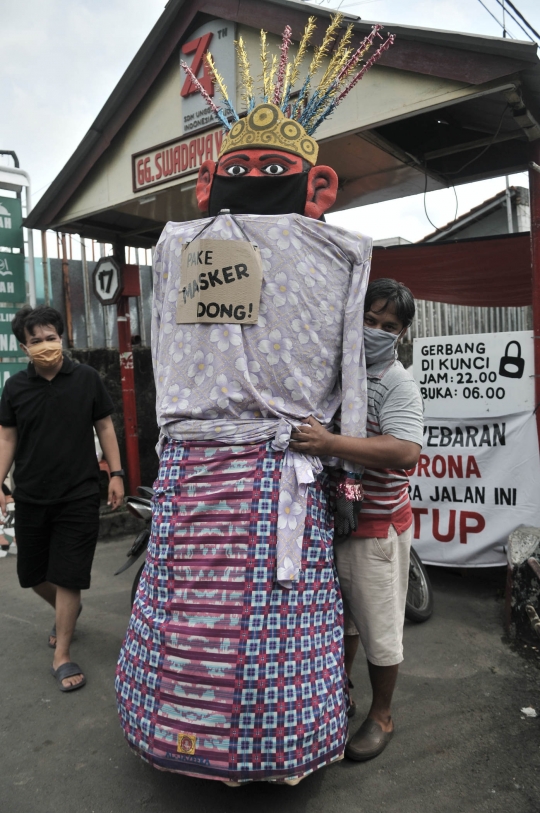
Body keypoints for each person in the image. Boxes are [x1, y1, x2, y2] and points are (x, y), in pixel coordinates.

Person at [115, 16, 394, 785]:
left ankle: (266, 746)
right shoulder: (193, 246)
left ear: (319, 185)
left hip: (270, 467)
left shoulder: (298, 250)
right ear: (208, 184)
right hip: (240, 463)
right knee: (222, 606)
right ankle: (236, 744)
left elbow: (348, 367)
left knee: (261, 608)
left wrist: (340, 448)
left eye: (277, 165)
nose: (258, 179)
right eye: (249, 165)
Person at [290, 278, 423, 761]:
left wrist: (330, 444)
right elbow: (345, 458)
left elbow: (405, 452)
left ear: (402, 333)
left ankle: (382, 716)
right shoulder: (343, 374)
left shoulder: (396, 383)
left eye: (387, 325)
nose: (375, 331)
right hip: (337, 522)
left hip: (377, 532)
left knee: (379, 630)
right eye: (369, 320)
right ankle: (338, 695)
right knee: (341, 622)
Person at [0, 306, 124, 692]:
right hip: (33, 494)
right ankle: (67, 611)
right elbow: (6, 438)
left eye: (51, 337)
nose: (45, 345)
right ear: (24, 347)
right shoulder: (16, 388)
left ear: (62, 338)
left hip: (80, 492)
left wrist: (117, 474)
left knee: (69, 573)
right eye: (36, 341)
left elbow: (105, 425)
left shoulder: (86, 379)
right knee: (32, 576)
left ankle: (63, 654)